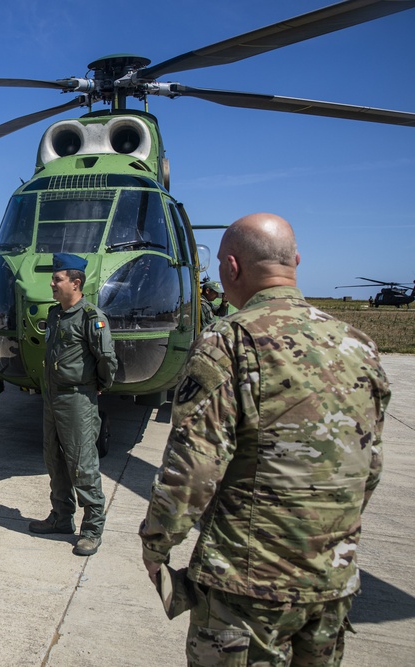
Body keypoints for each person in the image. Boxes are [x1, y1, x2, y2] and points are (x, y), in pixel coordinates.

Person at [139, 213, 390, 666]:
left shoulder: (229, 341)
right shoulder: (359, 344)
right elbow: (369, 465)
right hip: (331, 583)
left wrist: (157, 542)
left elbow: (194, 466)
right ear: (295, 261)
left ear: (231, 268)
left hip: (247, 586)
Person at [27, 253, 117, 557]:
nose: (51, 283)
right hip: (52, 398)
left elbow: (107, 360)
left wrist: (96, 386)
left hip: (77, 398)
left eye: (57, 279)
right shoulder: (55, 315)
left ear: (75, 283)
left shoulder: (92, 317)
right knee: (54, 459)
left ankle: (92, 528)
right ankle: (61, 517)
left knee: (82, 464)